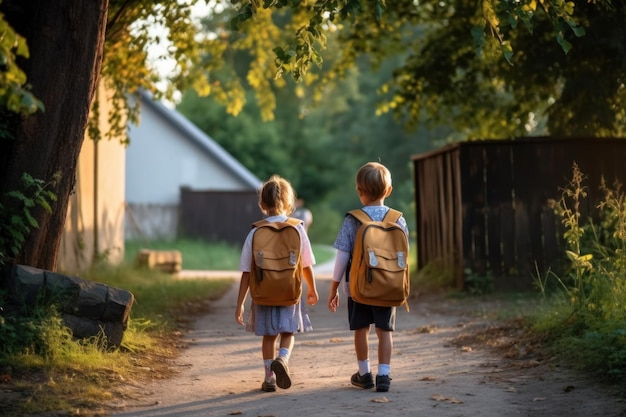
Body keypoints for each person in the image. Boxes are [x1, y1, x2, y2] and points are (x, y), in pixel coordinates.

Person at [327, 162, 409, 393]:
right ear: (389, 191)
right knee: (385, 331)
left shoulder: (353, 220)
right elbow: (402, 255)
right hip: (389, 286)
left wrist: (334, 288)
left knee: (361, 329)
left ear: (359, 191)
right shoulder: (398, 220)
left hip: (359, 287)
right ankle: (384, 374)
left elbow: (342, 257)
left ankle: (364, 374)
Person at [235, 174, 319, 393]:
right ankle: (283, 359)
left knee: (268, 337)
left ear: (262, 204)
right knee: (288, 333)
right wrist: (312, 289)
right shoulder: (298, 229)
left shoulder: (255, 232)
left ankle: (269, 378)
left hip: (263, 293)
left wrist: (240, 303)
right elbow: (306, 265)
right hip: (289, 292)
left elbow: (246, 271)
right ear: (289, 203)